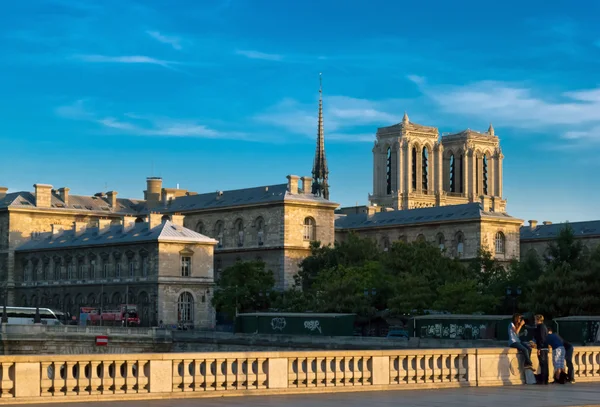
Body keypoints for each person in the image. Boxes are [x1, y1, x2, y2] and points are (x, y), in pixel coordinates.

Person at [533, 315, 549, 384]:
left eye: (535, 320)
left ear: (538, 320)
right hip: (545, 347)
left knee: (543, 364)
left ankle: (543, 379)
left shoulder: (540, 327)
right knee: (545, 364)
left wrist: (539, 348)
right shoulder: (544, 326)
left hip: (542, 347)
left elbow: (541, 338)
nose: (534, 321)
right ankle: (545, 379)